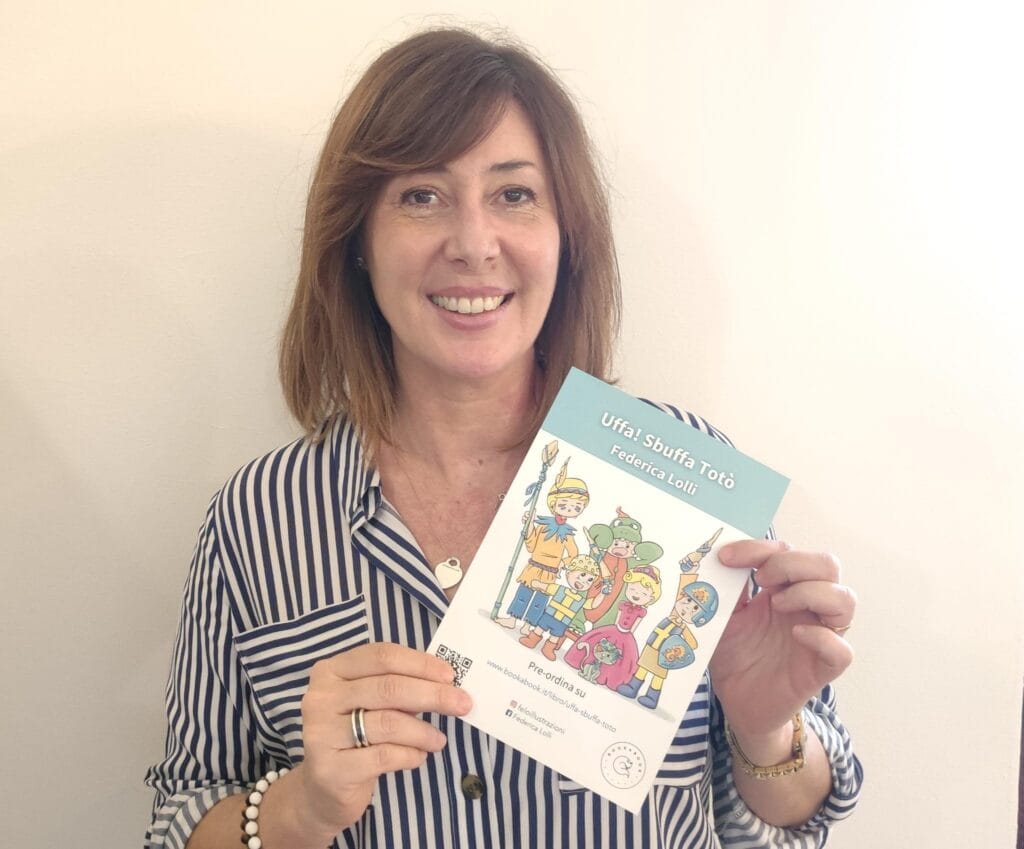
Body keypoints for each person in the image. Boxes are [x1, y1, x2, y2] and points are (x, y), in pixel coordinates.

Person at [144, 27, 862, 849]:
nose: (474, 244)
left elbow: (797, 819)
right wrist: (301, 807)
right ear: (357, 243)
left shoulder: (687, 482)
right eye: (422, 195)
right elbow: (176, 820)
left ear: (568, 236)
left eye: (514, 194)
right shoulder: (257, 518)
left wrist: (764, 731)